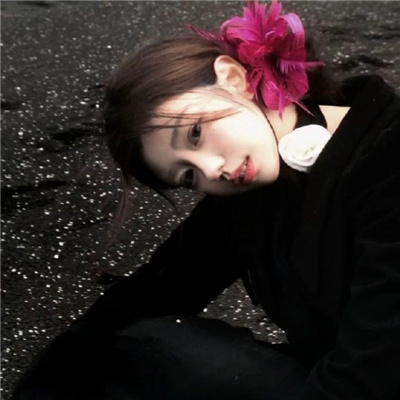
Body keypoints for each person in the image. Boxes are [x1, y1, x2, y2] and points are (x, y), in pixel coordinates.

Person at [12, 1, 400, 399]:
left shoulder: (388, 157)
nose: (212, 171)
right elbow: (147, 296)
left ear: (232, 78)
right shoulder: (249, 193)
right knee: (137, 342)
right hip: (339, 377)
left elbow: (366, 379)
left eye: (194, 133)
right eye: (188, 175)